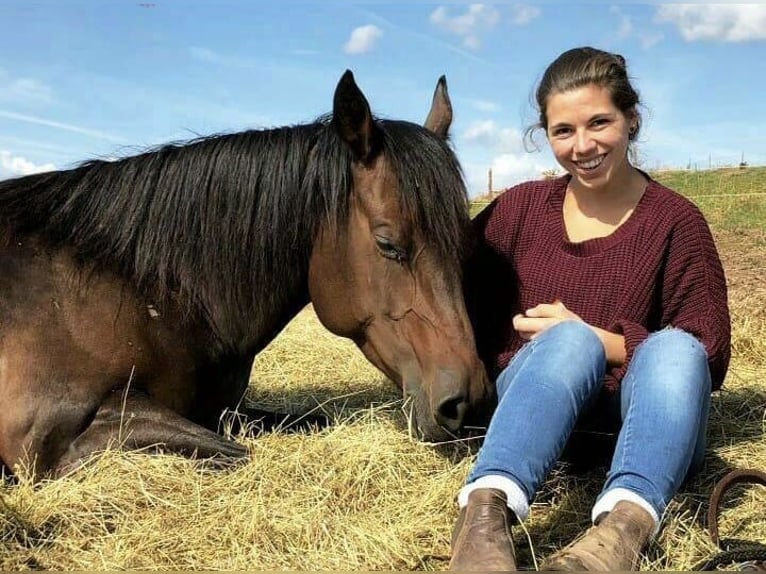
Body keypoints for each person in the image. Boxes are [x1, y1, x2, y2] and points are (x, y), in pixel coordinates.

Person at [449, 46, 731, 571]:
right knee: (568, 341)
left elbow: (708, 352)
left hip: (648, 429)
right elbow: (443, 281)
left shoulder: (677, 222)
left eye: (599, 122)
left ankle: (621, 533)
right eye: (563, 131)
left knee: (673, 346)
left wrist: (594, 336)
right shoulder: (520, 208)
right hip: (534, 415)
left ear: (631, 120)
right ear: (545, 135)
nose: (582, 146)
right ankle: (484, 516)